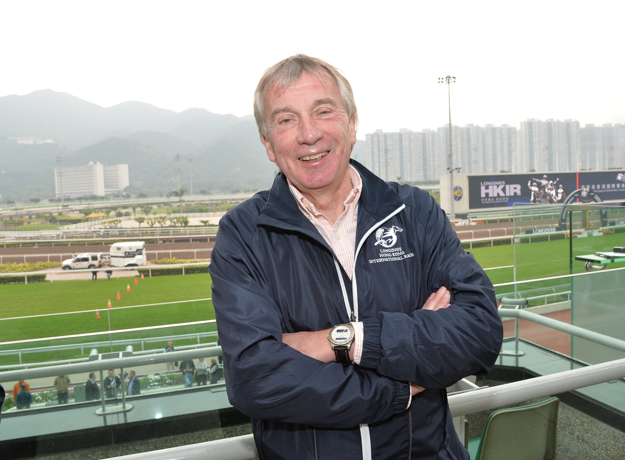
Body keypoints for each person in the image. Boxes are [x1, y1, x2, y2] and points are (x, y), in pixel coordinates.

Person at [209, 54, 503, 460]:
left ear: (351, 123)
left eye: (323, 111)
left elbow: (479, 331)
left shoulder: (412, 211)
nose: (309, 134)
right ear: (268, 144)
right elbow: (255, 377)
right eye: (286, 119)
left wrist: (345, 341)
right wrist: (401, 387)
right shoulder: (243, 234)